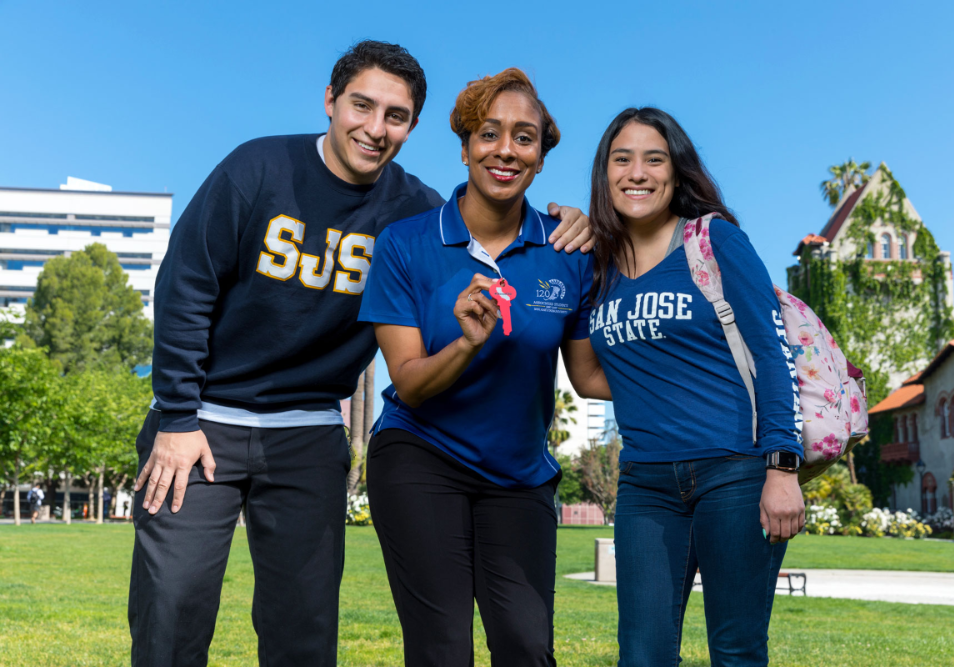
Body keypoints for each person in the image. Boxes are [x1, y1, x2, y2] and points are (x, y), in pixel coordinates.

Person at [130, 42, 592, 667]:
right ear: (330, 100)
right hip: (202, 424)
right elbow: (186, 286)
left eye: (395, 116)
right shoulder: (257, 168)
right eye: (361, 106)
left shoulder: (415, 214)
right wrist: (178, 417)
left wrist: (569, 220)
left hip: (307, 431)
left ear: (413, 126)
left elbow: (489, 214)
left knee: (303, 633)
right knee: (171, 616)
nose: (375, 128)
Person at [357, 68, 610, 667]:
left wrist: (701, 377)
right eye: (489, 133)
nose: (505, 150)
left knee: (527, 645)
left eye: (524, 137)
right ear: (466, 147)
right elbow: (409, 384)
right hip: (420, 455)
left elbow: (588, 378)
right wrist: (467, 344)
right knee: (442, 649)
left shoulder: (569, 251)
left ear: (540, 158)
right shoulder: (405, 243)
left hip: (519, 474)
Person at [585, 107, 805, 667]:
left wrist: (782, 468)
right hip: (645, 484)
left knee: (735, 650)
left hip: (735, 472)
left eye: (654, 159)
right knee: (642, 655)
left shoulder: (714, 241)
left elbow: (772, 355)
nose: (637, 173)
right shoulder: (596, 267)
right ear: (605, 173)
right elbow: (590, 377)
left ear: (676, 171)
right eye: (622, 159)